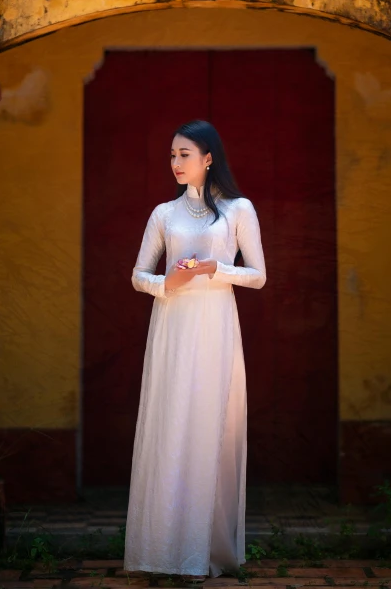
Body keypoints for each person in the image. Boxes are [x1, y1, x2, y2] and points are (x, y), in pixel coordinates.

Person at [123, 119, 266, 583]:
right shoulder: (164, 214)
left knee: (211, 427)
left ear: (208, 158)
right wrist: (169, 282)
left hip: (215, 326)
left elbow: (258, 274)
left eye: (184, 154)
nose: (176, 163)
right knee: (170, 426)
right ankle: (162, 552)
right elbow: (138, 275)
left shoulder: (238, 210)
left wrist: (216, 268)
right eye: (171, 155)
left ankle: (205, 552)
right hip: (172, 324)